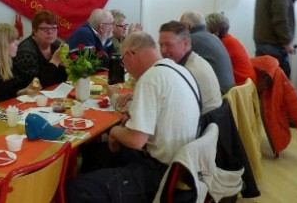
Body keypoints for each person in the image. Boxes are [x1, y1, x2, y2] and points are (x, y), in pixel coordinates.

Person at [66, 32, 201, 202]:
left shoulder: (150, 78)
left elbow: (136, 140)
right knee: (93, 154)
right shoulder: (178, 69)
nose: (125, 68)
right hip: (184, 166)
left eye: (123, 62)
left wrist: (115, 132)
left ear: (130, 55)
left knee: (76, 188)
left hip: (162, 174)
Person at [158, 20, 223, 113]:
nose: (163, 50)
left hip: (203, 124)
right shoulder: (195, 60)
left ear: (186, 43)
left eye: (168, 44)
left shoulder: (188, 72)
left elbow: (170, 110)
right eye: (161, 45)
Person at [180, 11, 235, 93]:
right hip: (229, 93)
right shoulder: (214, 37)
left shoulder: (191, 40)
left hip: (218, 96)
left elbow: (177, 68)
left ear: (187, 25)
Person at [12, 10, 67, 88]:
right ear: (35, 31)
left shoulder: (55, 44)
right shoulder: (26, 52)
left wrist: (67, 66)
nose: (50, 32)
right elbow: (35, 86)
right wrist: (55, 61)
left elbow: (61, 78)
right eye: (45, 28)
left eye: (54, 28)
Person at [205, 12, 257, 86]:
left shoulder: (222, 45)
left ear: (216, 34)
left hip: (239, 88)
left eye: (206, 30)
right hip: (247, 84)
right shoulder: (229, 39)